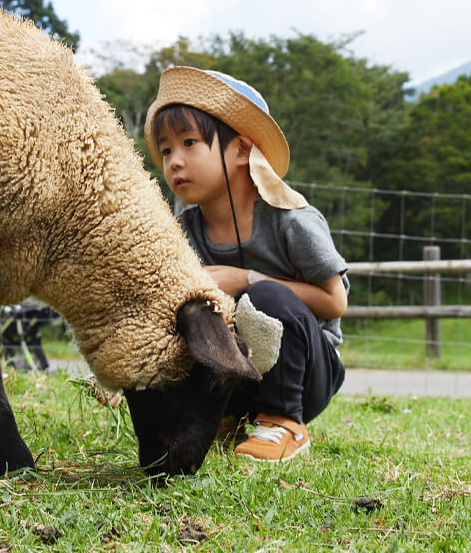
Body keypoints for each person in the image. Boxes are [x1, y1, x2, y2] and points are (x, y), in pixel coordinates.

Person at [145, 66, 348, 462]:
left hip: (306, 371)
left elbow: (335, 301)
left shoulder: (291, 220)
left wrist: (245, 278)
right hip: (235, 368)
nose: (174, 162)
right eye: (167, 150)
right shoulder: (182, 231)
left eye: (189, 142)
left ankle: (283, 421)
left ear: (241, 151)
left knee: (266, 295)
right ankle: (227, 416)